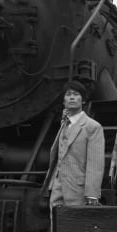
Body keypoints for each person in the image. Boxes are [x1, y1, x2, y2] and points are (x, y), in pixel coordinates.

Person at [44, 80, 105, 208]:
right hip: (57, 187)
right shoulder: (64, 124)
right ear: (63, 101)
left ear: (83, 100)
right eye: (68, 94)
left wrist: (92, 195)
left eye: (76, 94)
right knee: (55, 224)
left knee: (76, 225)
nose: (71, 97)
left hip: (78, 189)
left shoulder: (92, 127)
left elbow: (95, 163)